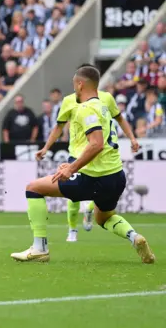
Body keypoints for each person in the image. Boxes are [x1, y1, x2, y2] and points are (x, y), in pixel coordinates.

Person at [11, 65, 154, 264]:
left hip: (92, 177)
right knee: (103, 218)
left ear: (80, 84)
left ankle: (40, 248)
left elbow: (96, 144)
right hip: (116, 176)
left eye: (74, 84)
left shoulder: (86, 108)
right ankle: (134, 236)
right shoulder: (103, 104)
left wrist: (71, 167)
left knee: (33, 188)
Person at [36, 65, 139, 242]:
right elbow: (59, 126)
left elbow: (119, 119)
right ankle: (73, 230)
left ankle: (84, 215)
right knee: (77, 195)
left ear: (81, 83)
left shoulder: (105, 98)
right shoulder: (70, 101)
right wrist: (46, 147)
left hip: (93, 152)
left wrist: (132, 138)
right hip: (77, 153)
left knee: (65, 189)